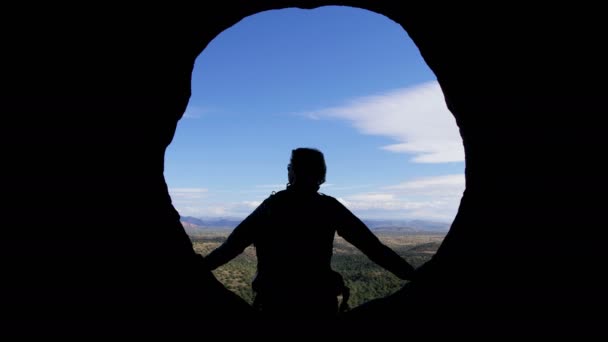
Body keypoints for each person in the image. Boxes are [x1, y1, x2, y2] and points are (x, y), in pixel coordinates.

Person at [203, 148, 416, 321]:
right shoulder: (329, 207)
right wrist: (411, 275)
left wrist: (200, 269)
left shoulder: (271, 207)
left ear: (291, 172)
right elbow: (373, 248)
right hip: (319, 303)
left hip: (275, 303)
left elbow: (231, 247)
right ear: (321, 176)